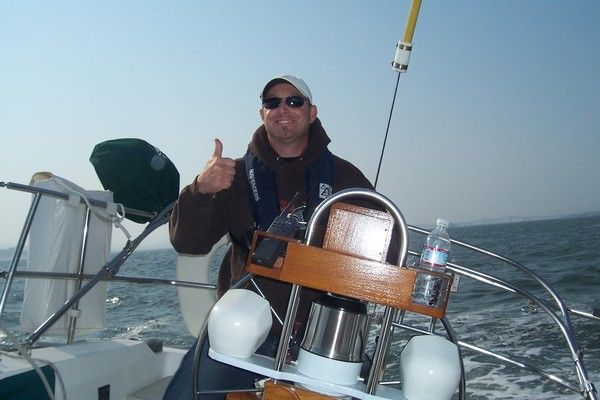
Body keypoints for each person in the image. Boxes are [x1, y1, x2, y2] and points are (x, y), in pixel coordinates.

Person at [164, 75, 374, 399]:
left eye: (294, 101)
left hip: (322, 337)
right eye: (272, 102)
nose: (282, 109)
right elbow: (187, 243)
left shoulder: (348, 179)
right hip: (241, 331)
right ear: (262, 113)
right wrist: (200, 190)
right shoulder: (231, 177)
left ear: (312, 112)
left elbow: (381, 255)